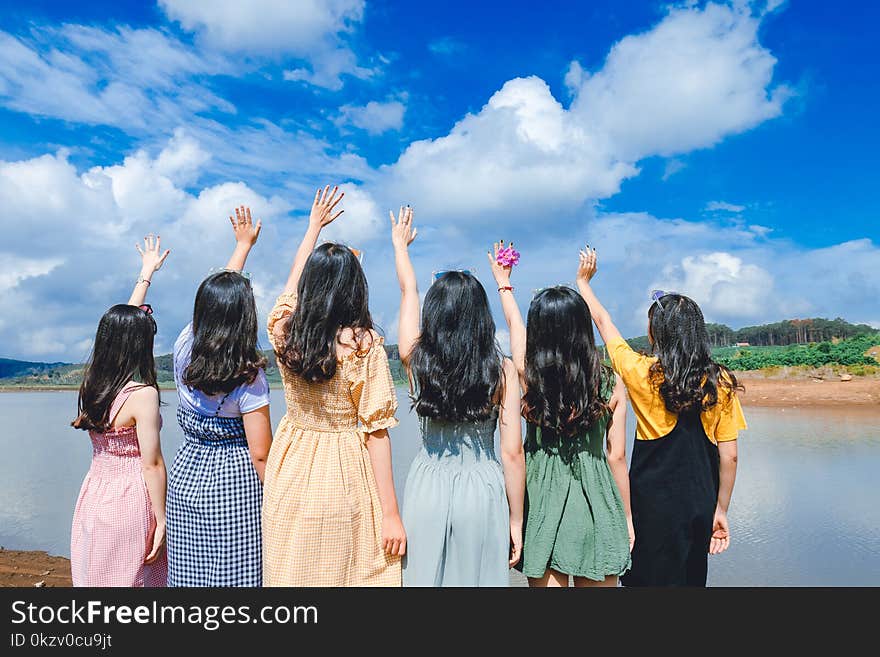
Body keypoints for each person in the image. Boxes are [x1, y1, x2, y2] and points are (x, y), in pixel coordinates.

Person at [576, 247, 745, 587]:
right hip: (700, 500)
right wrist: (721, 510)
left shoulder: (641, 372)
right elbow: (730, 455)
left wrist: (584, 283)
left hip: (650, 504)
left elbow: (604, 323)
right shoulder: (720, 382)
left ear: (656, 333)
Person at [262, 186, 405, 586]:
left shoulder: (285, 332)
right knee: (352, 571)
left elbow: (290, 288)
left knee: (293, 571)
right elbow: (376, 432)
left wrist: (312, 229)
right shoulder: (364, 346)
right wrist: (391, 513)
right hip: (345, 467)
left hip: (290, 461)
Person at [392, 209, 525, 586]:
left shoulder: (415, 361)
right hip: (483, 485)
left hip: (428, 482)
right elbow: (512, 453)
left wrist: (400, 246)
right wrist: (517, 519)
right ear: (482, 317)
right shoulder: (502, 371)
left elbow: (408, 291)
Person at [489, 241, 632, 587]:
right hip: (597, 499)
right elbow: (617, 457)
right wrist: (626, 516)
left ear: (538, 331)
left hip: (542, 501)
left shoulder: (528, 375)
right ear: (583, 329)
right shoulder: (611, 381)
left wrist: (504, 283)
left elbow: (514, 323)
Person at [166, 207, 272, 587]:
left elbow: (216, 304)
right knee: (240, 575)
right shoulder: (250, 374)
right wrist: (281, 497)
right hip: (237, 485)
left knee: (189, 574)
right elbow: (260, 453)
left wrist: (241, 247)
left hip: (186, 476)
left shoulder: (183, 347)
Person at [70, 234, 170, 586]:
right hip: (131, 496)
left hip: (95, 492)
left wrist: (146, 274)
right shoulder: (142, 394)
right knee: (134, 580)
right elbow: (152, 463)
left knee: (98, 575)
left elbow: (121, 328)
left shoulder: (95, 385)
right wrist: (161, 519)